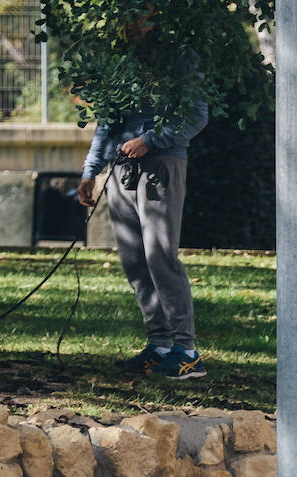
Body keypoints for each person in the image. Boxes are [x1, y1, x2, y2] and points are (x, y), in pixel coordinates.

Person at [77, 10, 208, 380]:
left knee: (160, 256)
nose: (133, 24)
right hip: (121, 170)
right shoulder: (121, 63)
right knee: (134, 259)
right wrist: (91, 171)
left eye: (141, 15)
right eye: (127, 17)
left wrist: (150, 140)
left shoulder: (180, 59)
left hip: (162, 166)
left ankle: (187, 351)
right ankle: (160, 345)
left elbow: (196, 116)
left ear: (157, 15)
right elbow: (107, 123)